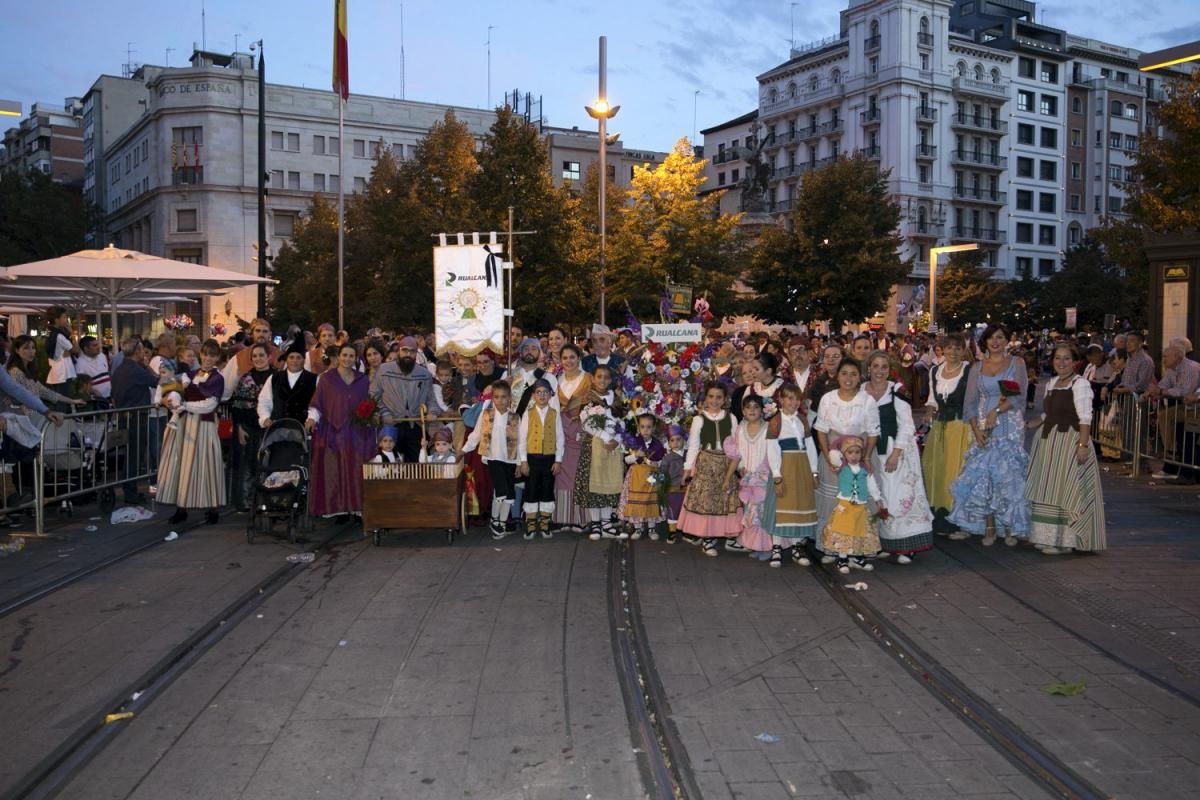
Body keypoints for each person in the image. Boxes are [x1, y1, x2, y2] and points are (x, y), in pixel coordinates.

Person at [948, 324, 1031, 545]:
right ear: (985, 341)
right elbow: (971, 402)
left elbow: (1017, 397)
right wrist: (976, 430)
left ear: (1007, 340)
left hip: (1009, 424)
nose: (996, 342)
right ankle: (990, 527)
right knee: (985, 475)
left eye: (1000, 337)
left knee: (1008, 476)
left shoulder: (1016, 364)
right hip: (984, 425)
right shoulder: (977, 367)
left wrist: (997, 411)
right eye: (991, 338)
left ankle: (1010, 528)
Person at [1025, 343, 1107, 554]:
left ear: (1075, 362)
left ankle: (1065, 541)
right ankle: (1046, 536)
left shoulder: (1081, 385)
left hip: (1069, 441)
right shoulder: (1052, 382)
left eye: (1066, 358)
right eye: (1058, 358)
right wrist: (1037, 421)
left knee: (1066, 488)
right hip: (1048, 442)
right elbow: (1052, 412)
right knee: (1047, 488)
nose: (1061, 363)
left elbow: (1085, 418)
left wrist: (1083, 445)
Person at [863, 351, 934, 564]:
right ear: (869, 369)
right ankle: (886, 542)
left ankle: (907, 546)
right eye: (875, 366)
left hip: (896, 451)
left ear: (889, 370)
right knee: (880, 496)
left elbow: (906, 425)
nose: (879, 371)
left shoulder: (896, 392)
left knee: (899, 495)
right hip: (871, 451)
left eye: (884, 367)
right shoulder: (861, 392)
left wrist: (896, 453)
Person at [813, 359, 880, 553]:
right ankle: (832, 548)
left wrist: (865, 457)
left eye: (853, 374)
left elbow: (873, 433)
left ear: (860, 377)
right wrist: (828, 458)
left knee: (858, 502)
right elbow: (821, 430)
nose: (848, 378)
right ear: (838, 375)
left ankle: (859, 549)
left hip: (859, 454)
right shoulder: (828, 398)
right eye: (844, 373)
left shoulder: (867, 400)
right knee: (836, 503)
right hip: (833, 456)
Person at [157, 339, 226, 525]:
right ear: (200, 354)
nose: (208, 358)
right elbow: (174, 390)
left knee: (207, 465)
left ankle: (213, 508)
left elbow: (210, 404)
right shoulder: (191, 373)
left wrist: (184, 404)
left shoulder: (218, 378)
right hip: (186, 424)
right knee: (183, 465)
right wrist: (170, 399)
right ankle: (181, 508)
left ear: (217, 357)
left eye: (212, 355)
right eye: (205, 354)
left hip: (204, 426)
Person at [306, 343, 377, 519]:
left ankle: (357, 506)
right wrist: (312, 418)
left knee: (356, 468)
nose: (347, 359)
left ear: (356, 358)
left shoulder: (363, 380)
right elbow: (318, 403)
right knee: (334, 468)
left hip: (358, 433)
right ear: (338, 356)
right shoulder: (326, 379)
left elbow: (370, 403)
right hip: (333, 431)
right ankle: (336, 506)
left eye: (351, 356)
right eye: (344, 355)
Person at [678, 380, 742, 557]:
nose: (714, 401)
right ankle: (707, 538)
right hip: (706, 463)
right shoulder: (699, 420)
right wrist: (687, 469)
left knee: (724, 499)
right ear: (705, 398)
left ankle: (724, 534)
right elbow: (693, 445)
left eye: (719, 397)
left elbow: (737, 446)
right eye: (711, 397)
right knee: (706, 500)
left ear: (725, 400)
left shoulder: (731, 418)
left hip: (725, 464)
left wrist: (741, 467)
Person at [922, 334, 974, 538]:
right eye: (949, 348)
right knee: (937, 472)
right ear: (942, 349)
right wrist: (928, 411)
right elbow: (932, 400)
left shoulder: (969, 371)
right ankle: (939, 518)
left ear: (964, 350)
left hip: (961, 427)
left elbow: (974, 400)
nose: (953, 352)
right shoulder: (935, 370)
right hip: (939, 428)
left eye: (957, 348)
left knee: (957, 473)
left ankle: (959, 521)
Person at [463, 380, 520, 539]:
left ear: (509, 398)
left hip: (510, 459)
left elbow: (520, 442)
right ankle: (495, 521)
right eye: (496, 397)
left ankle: (500, 522)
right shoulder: (486, 414)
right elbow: (475, 435)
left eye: (503, 397)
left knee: (509, 494)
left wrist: (519, 463)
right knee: (501, 491)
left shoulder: (515, 417)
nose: (500, 400)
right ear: (492, 398)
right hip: (493, 458)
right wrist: (463, 450)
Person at [768, 383, 817, 566]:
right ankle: (776, 549)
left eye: (797, 398)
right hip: (785, 468)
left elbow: (810, 446)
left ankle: (796, 548)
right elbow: (772, 449)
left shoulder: (802, 420)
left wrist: (814, 471)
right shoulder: (776, 421)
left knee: (798, 508)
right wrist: (777, 475)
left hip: (802, 468)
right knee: (781, 510)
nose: (794, 402)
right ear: (781, 400)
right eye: (789, 398)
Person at [722, 395, 776, 561]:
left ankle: (768, 547)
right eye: (748, 407)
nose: (752, 410)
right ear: (743, 411)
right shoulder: (740, 429)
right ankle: (756, 545)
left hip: (765, 478)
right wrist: (727, 478)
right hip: (748, 478)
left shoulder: (769, 428)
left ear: (762, 410)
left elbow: (775, 454)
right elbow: (736, 456)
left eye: (756, 407)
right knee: (751, 514)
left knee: (762, 514)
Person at [821, 434, 884, 574]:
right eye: (850, 452)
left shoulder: (865, 470)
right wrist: (838, 448)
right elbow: (833, 456)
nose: (854, 456)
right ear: (844, 454)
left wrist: (878, 499)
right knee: (844, 532)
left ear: (862, 454)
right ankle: (842, 558)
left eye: (857, 452)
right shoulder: (841, 468)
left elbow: (872, 485)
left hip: (860, 506)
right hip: (845, 507)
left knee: (859, 532)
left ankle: (857, 557)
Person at [576, 366, 626, 540]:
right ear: (593, 378)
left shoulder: (616, 398)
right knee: (595, 485)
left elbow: (623, 420)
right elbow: (587, 423)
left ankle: (606, 522)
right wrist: (605, 437)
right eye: (599, 377)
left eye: (606, 377)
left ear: (611, 380)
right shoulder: (588, 397)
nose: (603, 380)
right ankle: (595, 523)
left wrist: (618, 439)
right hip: (595, 444)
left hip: (614, 445)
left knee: (609, 484)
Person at [370, 336, 434, 462]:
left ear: (417, 353)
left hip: (415, 425)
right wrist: (384, 412)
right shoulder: (383, 370)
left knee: (417, 467)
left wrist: (432, 412)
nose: (408, 354)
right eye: (405, 350)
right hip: (390, 425)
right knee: (390, 465)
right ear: (398, 351)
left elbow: (430, 399)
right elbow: (373, 396)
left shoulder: (425, 374)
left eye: (412, 351)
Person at [110, 337, 157, 504]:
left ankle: (129, 490)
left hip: (125, 416)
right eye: (142, 350)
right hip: (136, 417)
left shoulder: (119, 369)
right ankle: (131, 493)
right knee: (134, 456)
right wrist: (148, 366)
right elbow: (156, 381)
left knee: (130, 456)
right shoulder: (136, 370)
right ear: (137, 351)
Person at [229, 343, 274, 512]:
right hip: (248, 427)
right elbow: (237, 405)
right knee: (248, 464)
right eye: (254, 356)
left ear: (269, 357)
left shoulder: (276, 377)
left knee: (267, 464)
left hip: (268, 427)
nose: (258, 359)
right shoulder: (245, 378)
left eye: (261, 355)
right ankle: (247, 501)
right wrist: (239, 427)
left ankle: (268, 500)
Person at [1146, 339, 1200, 479]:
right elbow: (1164, 384)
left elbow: (1184, 390)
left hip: (1194, 408)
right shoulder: (1172, 369)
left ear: (1177, 356)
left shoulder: (1190, 368)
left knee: (1168, 419)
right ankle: (1171, 452)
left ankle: (1172, 451)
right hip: (1187, 407)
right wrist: (1154, 391)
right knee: (1166, 418)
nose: (1163, 359)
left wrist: (1161, 392)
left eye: (1165, 356)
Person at [517, 379, 563, 539]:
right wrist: (523, 460)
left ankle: (544, 523)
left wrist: (558, 460)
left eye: (545, 392)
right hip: (532, 458)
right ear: (533, 395)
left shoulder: (554, 414)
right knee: (531, 488)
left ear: (550, 395)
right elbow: (522, 439)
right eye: (538, 392)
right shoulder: (528, 414)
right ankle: (530, 523)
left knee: (547, 488)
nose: (542, 395)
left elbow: (560, 438)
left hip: (549, 458)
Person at [552, 344, 590, 531]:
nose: (568, 361)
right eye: (565, 358)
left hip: (581, 432)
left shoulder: (588, 379)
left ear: (578, 358)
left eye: (572, 357)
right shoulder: (556, 381)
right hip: (561, 433)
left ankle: (581, 518)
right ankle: (563, 518)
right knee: (561, 475)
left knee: (580, 475)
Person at [6, 336, 86, 413]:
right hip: (23, 416)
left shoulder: (28, 371)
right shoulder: (15, 371)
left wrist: (72, 401)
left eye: (33, 348)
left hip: (34, 415)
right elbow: (17, 397)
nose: (31, 351)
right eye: (26, 348)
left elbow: (45, 392)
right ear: (17, 350)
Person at [618, 413, 667, 541]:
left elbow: (662, 460)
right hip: (636, 477)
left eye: (649, 427)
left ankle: (651, 528)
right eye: (643, 427)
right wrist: (635, 456)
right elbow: (626, 460)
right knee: (636, 500)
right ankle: (638, 527)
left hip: (651, 476)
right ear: (638, 427)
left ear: (654, 428)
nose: (645, 430)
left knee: (651, 500)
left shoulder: (657, 444)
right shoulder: (633, 441)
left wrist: (658, 463)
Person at [258, 338, 318, 427]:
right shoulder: (274, 378)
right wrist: (265, 418)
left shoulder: (314, 379)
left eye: (298, 358)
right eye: (291, 357)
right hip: (277, 428)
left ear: (304, 360)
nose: (295, 361)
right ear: (286, 359)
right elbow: (264, 401)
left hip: (302, 429)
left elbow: (316, 404)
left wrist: (312, 418)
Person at [221, 318, 278, 401]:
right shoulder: (240, 357)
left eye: (265, 331)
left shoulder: (280, 355)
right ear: (252, 334)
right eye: (258, 331)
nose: (261, 334)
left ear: (270, 334)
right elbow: (227, 384)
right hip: (246, 407)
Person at [509, 338, 557, 414]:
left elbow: (554, 407)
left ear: (539, 353)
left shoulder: (549, 378)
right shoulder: (509, 375)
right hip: (513, 423)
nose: (529, 351)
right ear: (521, 352)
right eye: (526, 348)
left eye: (534, 349)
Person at [43, 306, 78, 398]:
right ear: (56, 319)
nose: (66, 320)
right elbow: (76, 350)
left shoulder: (51, 333)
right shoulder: (59, 336)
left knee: (60, 400)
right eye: (64, 317)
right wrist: (73, 334)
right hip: (63, 373)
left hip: (57, 372)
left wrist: (68, 352)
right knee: (63, 401)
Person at [661, 425, 688, 543]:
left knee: (686, 510)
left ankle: (686, 531)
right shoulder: (667, 458)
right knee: (673, 510)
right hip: (673, 489)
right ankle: (672, 532)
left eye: (678, 439)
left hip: (687, 488)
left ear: (684, 440)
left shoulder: (688, 455)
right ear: (668, 443)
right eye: (672, 440)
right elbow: (663, 472)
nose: (676, 443)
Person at [75, 336, 112, 409]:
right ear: (86, 349)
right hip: (97, 399)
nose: (98, 347)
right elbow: (82, 385)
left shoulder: (102, 356)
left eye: (98, 344)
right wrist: (95, 392)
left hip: (110, 395)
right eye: (94, 345)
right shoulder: (80, 363)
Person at [1114, 331, 1154, 396]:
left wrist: (1126, 389)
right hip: (1127, 397)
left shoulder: (1145, 360)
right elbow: (1125, 379)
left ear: (1140, 344)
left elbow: (1143, 384)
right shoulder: (1129, 359)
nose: (1128, 343)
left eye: (1131, 341)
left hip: (1140, 398)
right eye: (1127, 341)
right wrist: (1120, 386)